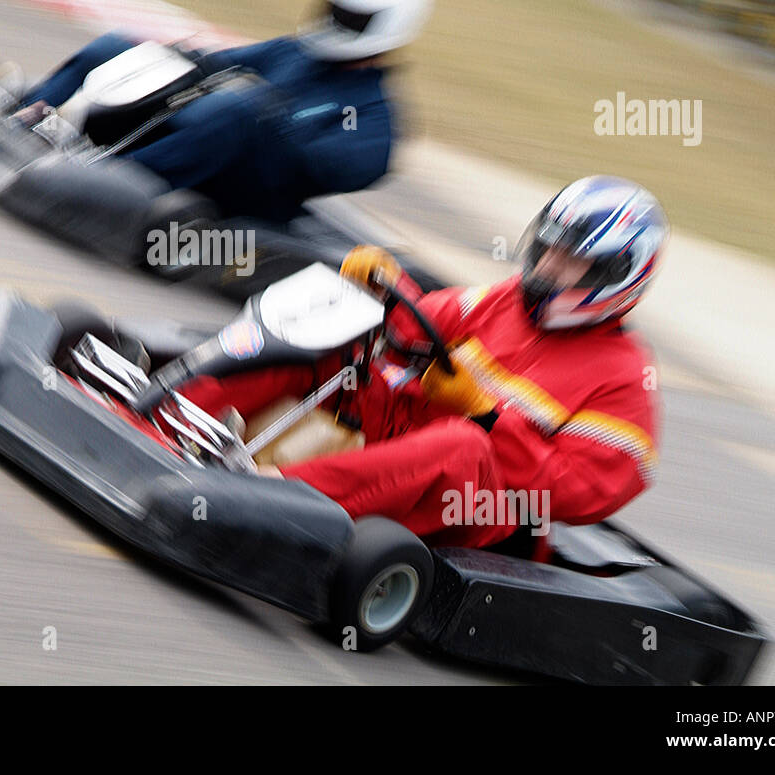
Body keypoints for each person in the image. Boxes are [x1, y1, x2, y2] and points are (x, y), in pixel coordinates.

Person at [184, 175, 668, 547]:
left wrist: (486, 415)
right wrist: (383, 288)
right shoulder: (503, 301)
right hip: (406, 436)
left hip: (482, 505)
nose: (547, 269)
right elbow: (416, 329)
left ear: (615, 274)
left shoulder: (625, 380)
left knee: (462, 443)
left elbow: (573, 492)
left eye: (570, 261)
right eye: (548, 250)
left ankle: (267, 494)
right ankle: (171, 416)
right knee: (334, 349)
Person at [13, 0, 437, 223]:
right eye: (334, 10)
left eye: (348, 17)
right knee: (122, 46)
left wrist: (274, 121)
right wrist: (179, 57)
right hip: (202, 141)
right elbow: (217, 63)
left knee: (240, 111)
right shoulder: (295, 53)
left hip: (246, 195)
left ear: (388, 27)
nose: (333, 22)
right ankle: (26, 114)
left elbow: (334, 167)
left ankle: (109, 177)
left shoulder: (376, 117)